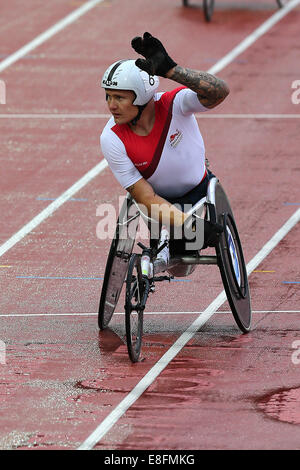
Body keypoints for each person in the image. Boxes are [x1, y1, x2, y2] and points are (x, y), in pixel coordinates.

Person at [100, 32, 229, 266]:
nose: (111, 106)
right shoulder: (111, 138)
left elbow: (219, 92)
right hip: (159, 204)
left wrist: (172, 70)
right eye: (108, 96)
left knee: (185, 257)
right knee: (179, 265)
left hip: (198, 192)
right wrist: (190, 225)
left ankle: (184, 239)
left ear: (141, 97)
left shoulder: (175, 104)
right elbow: (145, 196)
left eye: (119, 97)